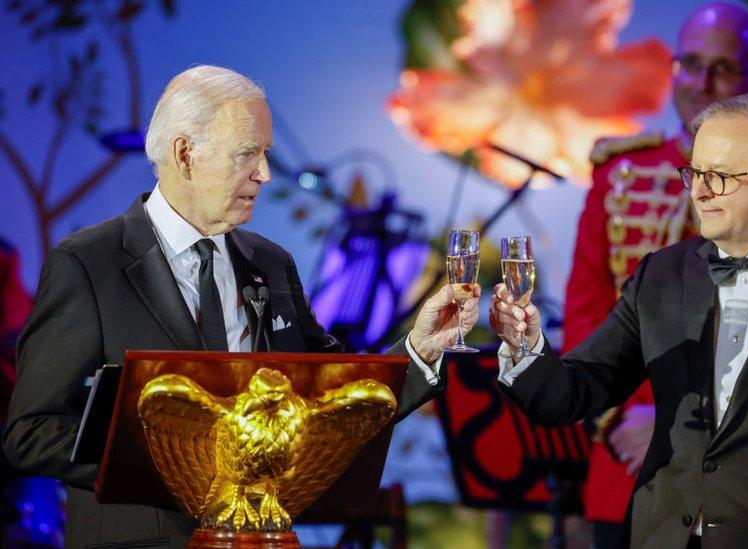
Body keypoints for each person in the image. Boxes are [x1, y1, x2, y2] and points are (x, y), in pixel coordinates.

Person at [3, 65, 478, 548]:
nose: (265, 175)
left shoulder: (270, 263)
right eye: (247, 154)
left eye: (265, 154)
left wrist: (420, 349)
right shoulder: (89, 264)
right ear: (185, 153)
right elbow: (32, 432)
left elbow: (333, 394)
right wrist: (172, 468)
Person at [491, 93, 748, 547]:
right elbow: (575, 391)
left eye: (720, 176)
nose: (699, 191)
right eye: (695, 172)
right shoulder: (661, 275)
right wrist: (524, 345)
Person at [566, 4, 748, 544]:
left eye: (723, 68)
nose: (702, 83)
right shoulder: (619, 174)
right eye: (690, 64)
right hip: (630, 463)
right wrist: (625, 422)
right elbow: (587, 312)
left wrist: (684, 424)